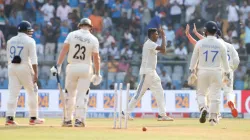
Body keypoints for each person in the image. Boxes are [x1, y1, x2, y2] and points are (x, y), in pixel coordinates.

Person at [50, 18, 102, 127]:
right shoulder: (93, 39)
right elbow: (96, 58)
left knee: (69, 94)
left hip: (72, 67)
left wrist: (58, 65)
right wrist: (97, 73)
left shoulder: (72, 34)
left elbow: (64, 50)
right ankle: (79, 120)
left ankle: (68, 120)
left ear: (80, 26)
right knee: (82, 95)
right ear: (90, 28)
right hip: (85, 68)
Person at [186, 24, 240, 118]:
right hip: (228, 70)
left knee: (212, 94)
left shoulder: (209, 43)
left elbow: (199, 42)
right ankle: (230, 102)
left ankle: (213, 113)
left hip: (216, 70)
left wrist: (192, 34)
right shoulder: (229, 46)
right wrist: (232, 69)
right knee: (228, 91)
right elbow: (236, 60)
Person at [122, 27, 174, 121]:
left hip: (152, 73)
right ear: (151, 35)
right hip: (147, 72)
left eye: (158, 34)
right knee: (139, 94)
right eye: (156, 34)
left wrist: (163, 37)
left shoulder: (152, 44)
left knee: (159, 92)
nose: (158, 36)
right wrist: (163, 36)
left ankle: (162, 115)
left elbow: (163, 50)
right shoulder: (149, 44)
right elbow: (162, 48)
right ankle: (125, 113)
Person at [5, 21, 44, 126]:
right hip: (24, 66)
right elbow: (34, 59)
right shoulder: (30, 41)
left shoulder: (10, 41)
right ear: (27, 30)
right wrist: (35, 73)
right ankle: (33, 117)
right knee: (32, 91)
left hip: (12, 66)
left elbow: (8, 57)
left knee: (13, 93)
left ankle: (9, 118)